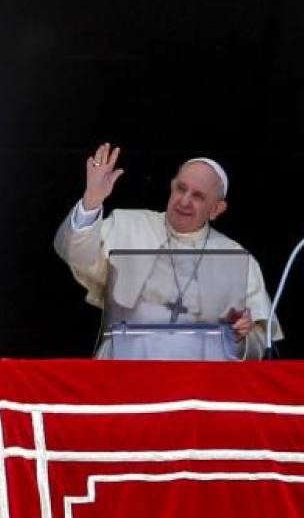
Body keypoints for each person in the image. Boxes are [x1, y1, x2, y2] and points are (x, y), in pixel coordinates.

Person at [53, 143, 279, 359]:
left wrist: (240, 336)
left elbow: (261, 343)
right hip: (127, 364)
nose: (184, 201)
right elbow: (74, 254)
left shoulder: (236, 256)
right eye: (181, 189)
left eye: (198, 196)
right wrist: (92, 200)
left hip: (203, 378)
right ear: (172, 186)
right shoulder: (127, 224)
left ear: (216, 209)